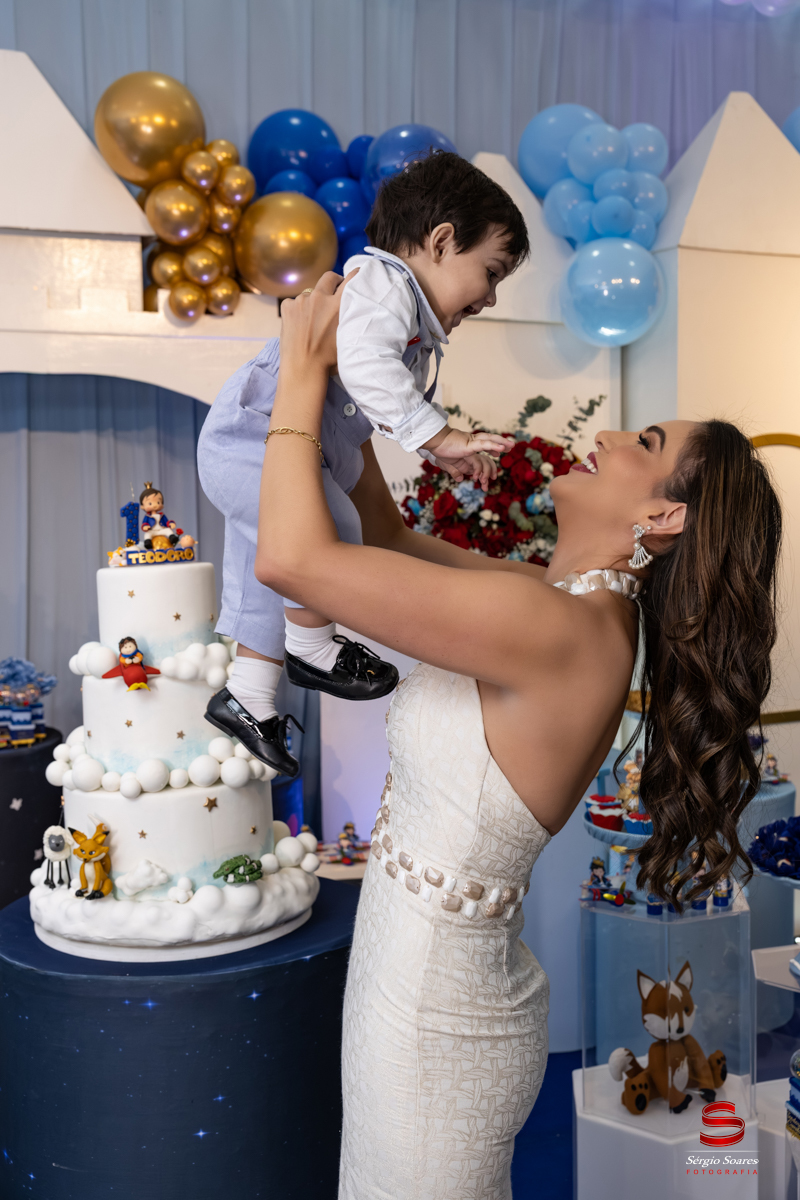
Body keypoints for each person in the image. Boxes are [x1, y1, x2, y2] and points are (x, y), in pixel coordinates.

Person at [255, 273, 781, 1199]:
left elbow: (292, 560)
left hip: (433, 1017)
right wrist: (352, 382)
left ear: (662, 517)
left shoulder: (560, 629)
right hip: (412, 986)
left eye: (644, 443)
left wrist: (298, 374)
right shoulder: (553, 600)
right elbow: (383, 535)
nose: (609, 437)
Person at [197, 152, 528, 777]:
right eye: (491, 273)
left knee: (272, 572)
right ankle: (311, 649)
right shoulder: (384, 285)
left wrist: (437, 448)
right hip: (251, 438)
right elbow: (367, 368)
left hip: (295, 445)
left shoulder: (405, 310)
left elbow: (381, 397)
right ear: (440, 241)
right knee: (326, 535)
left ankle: (248, 694)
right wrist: (440, 437)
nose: (489, 298)